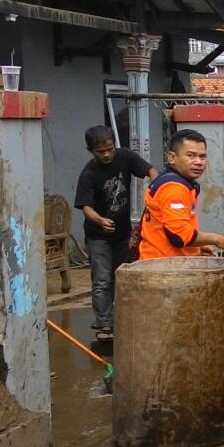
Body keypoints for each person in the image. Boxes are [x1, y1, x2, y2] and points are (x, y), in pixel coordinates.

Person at [73, 125, 157, 341]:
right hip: (98, 236)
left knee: (120, 277)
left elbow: (149, 170)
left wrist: (157, 183)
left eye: (110, 149)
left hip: (122, 235)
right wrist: (100, 220)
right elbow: (86, 207)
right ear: (90, 150)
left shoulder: (125, 156)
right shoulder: (88, 174)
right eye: (101, 152)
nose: (107, 154)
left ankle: (120, 318)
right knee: (101, 280)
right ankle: (104, 324)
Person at [137, 129, 224, 260]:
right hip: (164, 267)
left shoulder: (176, 182)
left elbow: (169, 228)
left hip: (165, 263)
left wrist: (197, 247)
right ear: (172, 157)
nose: (198, 162)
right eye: (191, 155)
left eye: (202, 156)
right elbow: (179, 236)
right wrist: (216, 239)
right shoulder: (174, 188)